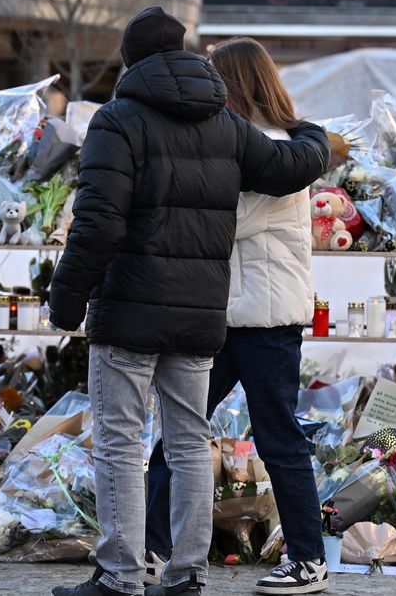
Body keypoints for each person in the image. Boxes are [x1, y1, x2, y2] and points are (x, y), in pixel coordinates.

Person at [48, 9, 329, 596]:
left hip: (135, 306)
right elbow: (288, 168)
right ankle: (186, 574)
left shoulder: (116, 121)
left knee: (124, 442)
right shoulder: (224, 127)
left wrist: (67, 297)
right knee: (187, 442)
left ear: (131, 61)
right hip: (205, 314)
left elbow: (98, 221)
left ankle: (122, 574)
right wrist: (315, 136)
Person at [143, 37, 329, 596]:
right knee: (180, 434)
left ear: (237, 85)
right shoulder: (244, 144)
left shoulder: (276, 153)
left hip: (266, 320)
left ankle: (309, 560)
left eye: (216, 81)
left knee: (278, 440)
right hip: (225, 318)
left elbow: (224, 220)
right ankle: (152, 548)